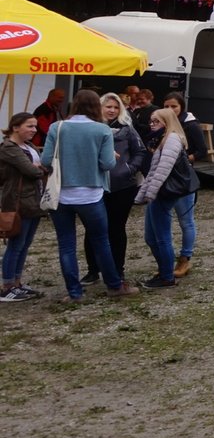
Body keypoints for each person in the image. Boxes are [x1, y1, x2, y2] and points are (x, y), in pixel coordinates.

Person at [41, 89, 139, 300]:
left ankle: (74, 292)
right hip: (90, 194)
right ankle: (114, 285)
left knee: (66, 244)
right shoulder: (101, 130)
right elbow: (107, 164)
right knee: (101, 240)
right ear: (97, 106)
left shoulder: (57, 127)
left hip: (61, 194)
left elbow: (46, 160)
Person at [82, 93, 149, 285]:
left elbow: (140, 151)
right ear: (100, 107)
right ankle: (93, 269)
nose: (112, 110)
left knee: (117, 229)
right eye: (108, 106)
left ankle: (118, 269)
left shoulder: (127, 129)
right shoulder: (91, 128)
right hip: (95, 185)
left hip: (122, 186)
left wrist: (129, 169)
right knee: (92, 229)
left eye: (115, 107)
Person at [135, 108, 200, 289]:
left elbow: (162, 170)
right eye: (151, 121)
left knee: (162, 237)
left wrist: (149, 193)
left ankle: (166, 276)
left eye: (157, 121)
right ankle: (164, 270)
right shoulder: (162, 139)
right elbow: (153, 171)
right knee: (151, 237)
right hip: (159, 192)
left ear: (167, 122)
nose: (152, 125)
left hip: (164, 192)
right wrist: (142, 195)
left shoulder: (171, 139)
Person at [1, 113, 50, 301]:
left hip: (34, 200)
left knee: (25, 244)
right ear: (15, 127)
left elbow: (41, 167)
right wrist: (40, 169)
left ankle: (17, 282)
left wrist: (40, 168)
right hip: (18, 201)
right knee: (16, 244)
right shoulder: (9, 148)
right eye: (29, 126)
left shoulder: (28, 146)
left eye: (35, 126)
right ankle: (7, 286)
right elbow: (31, 170)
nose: (34, 130)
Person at [162, 92, 206, 269]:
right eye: (166, 106)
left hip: (182, 178)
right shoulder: (161, 122)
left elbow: (202, 150)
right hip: (163, 177)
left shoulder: (191, 125)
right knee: (162, 221)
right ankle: (165, 258)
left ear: (181, 107)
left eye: (174, 106)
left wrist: (184, 159)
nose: (170, 109)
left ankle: (185, 257)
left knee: (185, 220)